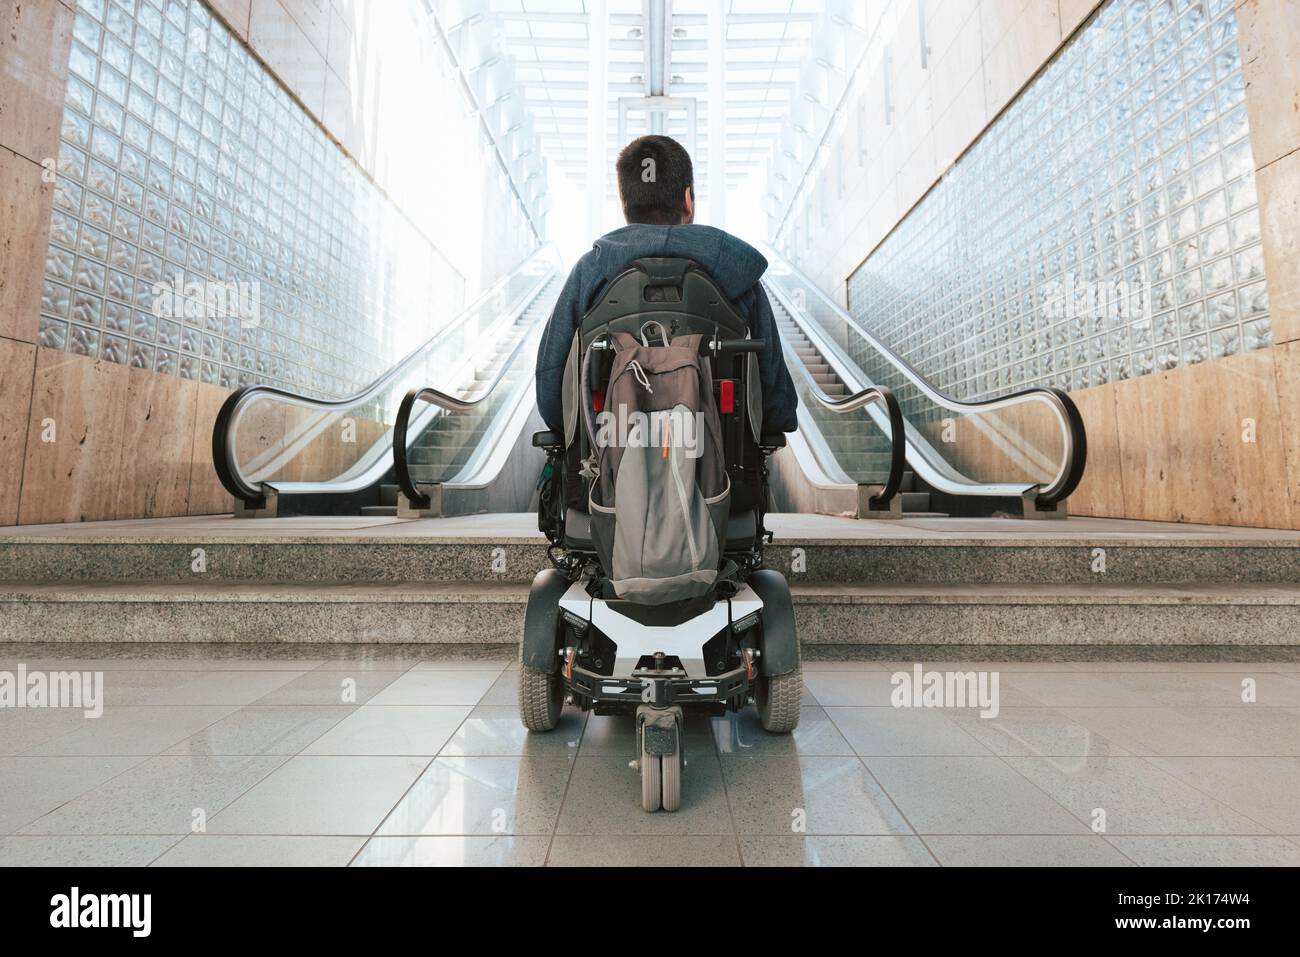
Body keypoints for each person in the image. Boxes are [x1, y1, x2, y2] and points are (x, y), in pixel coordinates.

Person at [534, 134, 798, 437]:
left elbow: (551, 397)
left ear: (624, 202)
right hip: (725, 469)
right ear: (687, 200)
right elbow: (778, 406)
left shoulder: (590, 273)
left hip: (608, 467)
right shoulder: (738, 275)